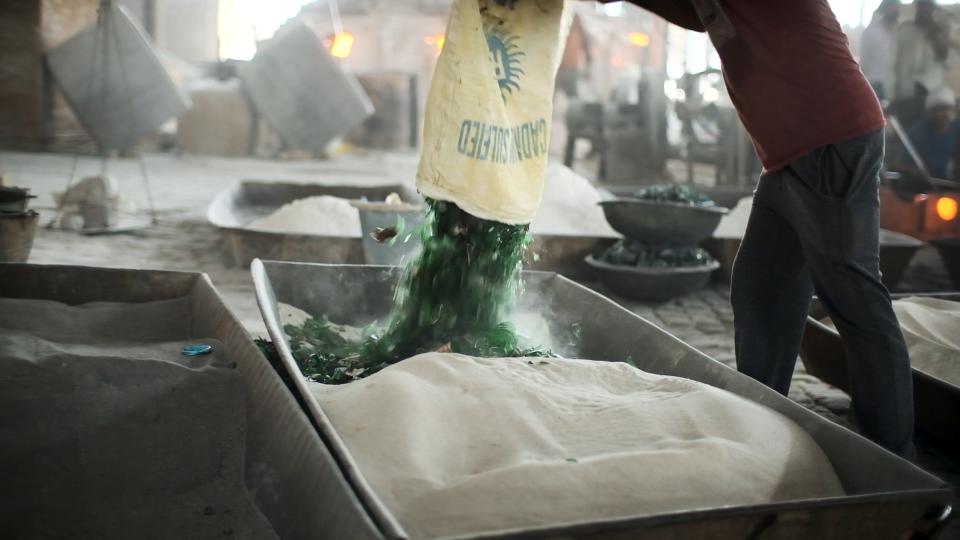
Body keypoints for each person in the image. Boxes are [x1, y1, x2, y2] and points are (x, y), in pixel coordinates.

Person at [609, 0, 915, 457]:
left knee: (852, 295)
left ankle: (891, 455)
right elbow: (696, 15)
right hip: (790, 155)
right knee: (762, 289)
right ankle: (762, 422)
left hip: (829, 139)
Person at [890, 0, 951, 129]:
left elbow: (947, 62)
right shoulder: (904, 30)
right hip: (906, 93)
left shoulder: (941, 32)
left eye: (928, 7)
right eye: (922, 6)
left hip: (931, 97)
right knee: (906, 137)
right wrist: (891, 95)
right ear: (916, 7)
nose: (925, 11)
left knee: (925, 138)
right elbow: (891, 64)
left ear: (933, 9)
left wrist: (937, 36)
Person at [904, 86, 960, 180]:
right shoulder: (917, 132)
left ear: (953, 110)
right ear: (928, 112)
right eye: (935, 110)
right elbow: (903, 163)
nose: (940, 114)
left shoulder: (957, 129)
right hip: (926, 187)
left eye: (945, 108)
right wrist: (913, 172)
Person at [860, 0, 901, 101]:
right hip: (873, 82)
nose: (894, 9)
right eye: (892, 6)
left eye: (896, 7)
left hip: (894, 87)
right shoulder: (871, 32)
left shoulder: (901, 32)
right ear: (884, 8)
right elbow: (864, 60)